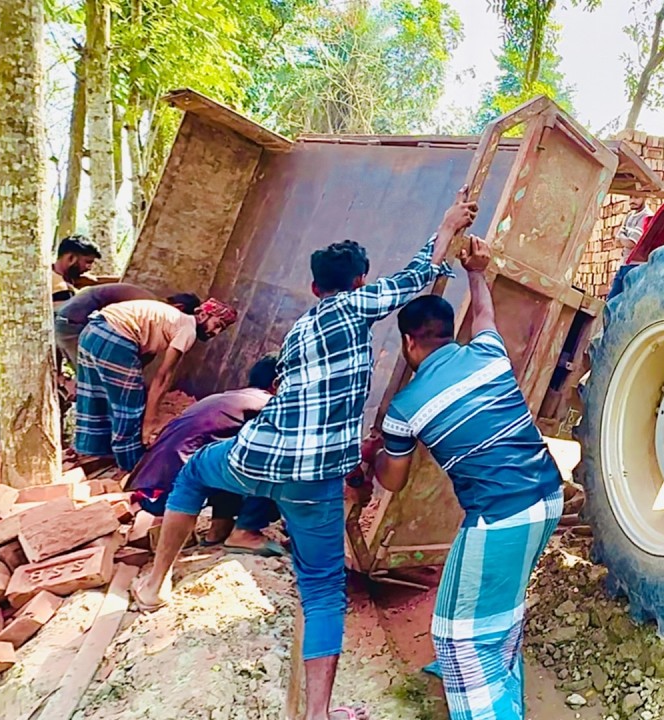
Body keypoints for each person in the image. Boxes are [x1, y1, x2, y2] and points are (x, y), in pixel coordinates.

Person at [130, 191, 480, 720]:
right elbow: (413, 278)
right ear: (357, 283)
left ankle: (154, 583)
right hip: (312, 480)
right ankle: (316, 715)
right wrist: (448, 224)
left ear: (314, 287)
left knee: (194, 474)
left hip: (256, 456)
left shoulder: (301, 328)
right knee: (322, 593)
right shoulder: (351, 307)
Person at [371, 235, 562, 720]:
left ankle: (485, 707)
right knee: (502, 598)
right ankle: (497, 676)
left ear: (410, 343)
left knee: (455, 634)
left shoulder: (405, 408)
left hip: (500, 517)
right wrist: (477, 271)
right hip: (547, 497)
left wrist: (374, 453)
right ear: (448, 333)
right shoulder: (488, 354)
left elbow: (391, 482)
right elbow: (485, 317)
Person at [128, 354, 284, 555]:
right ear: (276, 383)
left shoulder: (229, 397)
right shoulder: (267, 403)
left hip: (154, 479)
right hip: (176, 488)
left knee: (229, 451)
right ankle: (245, 532)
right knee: (277, 456)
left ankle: (219, 528)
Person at [74, 297, 238, 471]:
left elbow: (143, 359)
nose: (216, 332)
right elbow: (164, 375)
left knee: (96, 394)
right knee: (130, 406)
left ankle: (94, 450)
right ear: (203, 314)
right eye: (217, 324)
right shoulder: (188, 328)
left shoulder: (170, 319)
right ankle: (131, 464)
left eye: (222, 329)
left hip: (92, 331)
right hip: (116, 336)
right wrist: (149, 423)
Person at [54, 285, 199, 368]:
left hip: (70, 320)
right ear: (178, 308)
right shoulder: (151, 307)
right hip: (73, 322)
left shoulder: (149, 306)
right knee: (91, 377)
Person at [52, 235, 102, 308]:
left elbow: (94, 280)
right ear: (71, 258)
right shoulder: (60, 288)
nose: (89, 268)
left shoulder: (54, 275)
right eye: (88, 262)